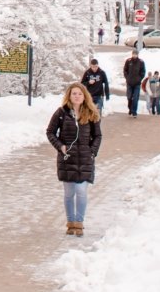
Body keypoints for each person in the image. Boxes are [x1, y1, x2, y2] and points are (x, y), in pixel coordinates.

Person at [46, 82, 102, 237]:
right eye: (74, 93)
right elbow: (50, 132)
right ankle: (71, 222)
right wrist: (60, 146)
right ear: (69, 96)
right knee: (69, 192)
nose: (77, 96)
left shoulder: (91, 113)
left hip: (85, 157)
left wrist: (92, 151)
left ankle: (79, 222)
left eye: (80, 94)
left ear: (84, 96)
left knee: (81, 191)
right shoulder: (62, 113)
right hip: (67, 158)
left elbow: (97, 135)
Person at [123, 50, 147, 117]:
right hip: (129, 82)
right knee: (129, 97)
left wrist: (139, 78)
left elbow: (143, 71)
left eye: (136, 54)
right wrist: (127, 77)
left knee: (135, 98)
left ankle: (134, 112)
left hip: (137, 83)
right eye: (133, 54)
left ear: (137, 55)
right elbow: (125, 70)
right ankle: (130, 108)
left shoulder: (141, 62)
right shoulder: (128, 61)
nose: (134, 55)